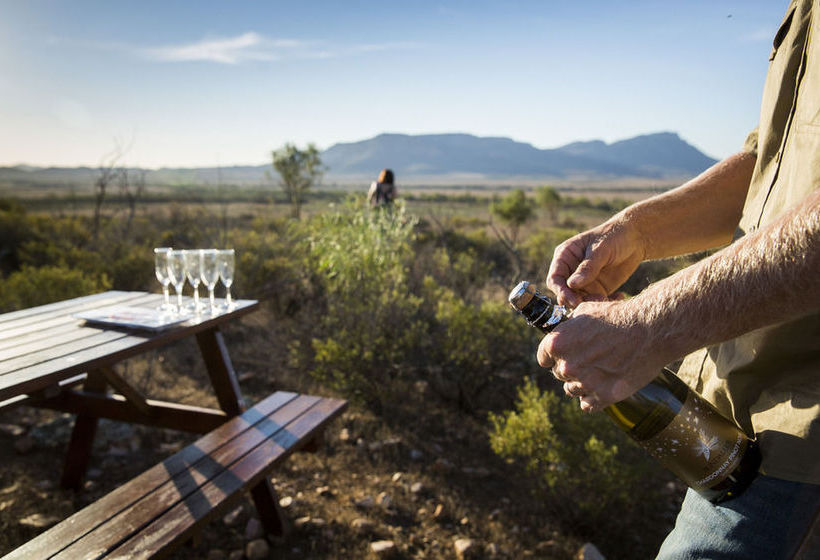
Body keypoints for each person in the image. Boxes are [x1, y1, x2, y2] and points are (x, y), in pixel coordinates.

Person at [536, 1, 820, 557]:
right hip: (745, 420)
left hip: (803, 438)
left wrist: (647, 325)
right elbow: (774, 162)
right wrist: (637, 231)